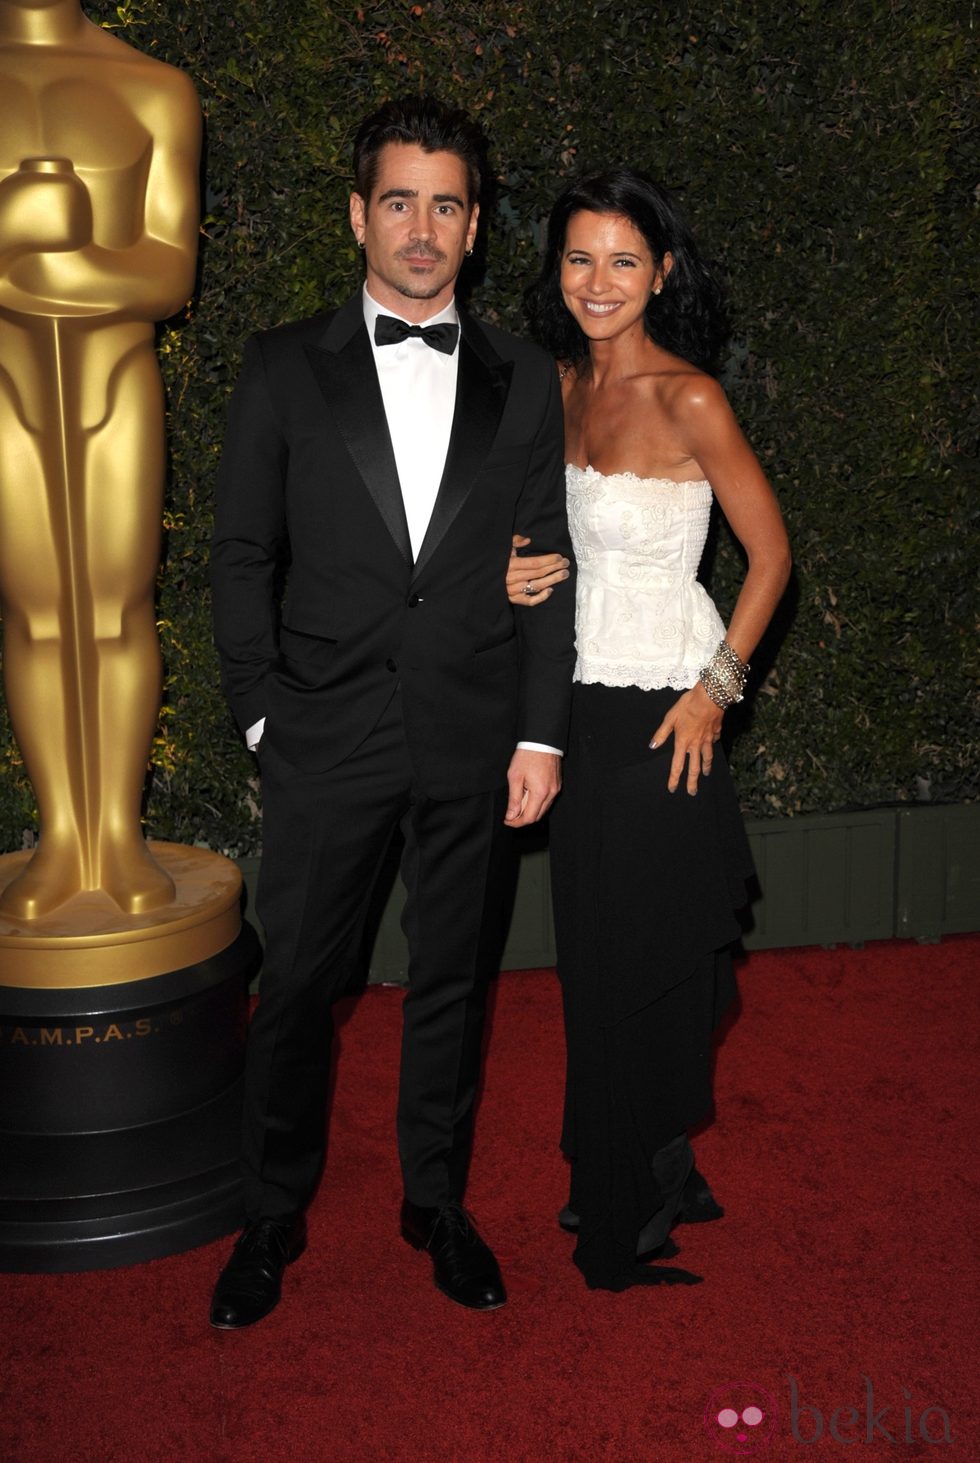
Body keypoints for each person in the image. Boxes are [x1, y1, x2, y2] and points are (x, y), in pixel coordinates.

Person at [208, 96, 576, 1327]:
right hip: (322, 733)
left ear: (474, 230)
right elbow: (239, 553)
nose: (422, 228)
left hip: (473, 733)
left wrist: (537, 730)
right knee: (300, 983)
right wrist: (262, 714)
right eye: (400, 201)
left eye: (448, 205)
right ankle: (269, 1208)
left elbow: (546, 557)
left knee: (453, 984)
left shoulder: (528, 380)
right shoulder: (280, 367)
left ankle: (436, 1200)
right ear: (358, 213)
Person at [509, 169, 791, 1291]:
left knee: (668, 960)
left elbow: (769, 556)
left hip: (666, 710)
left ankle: (636, 1189)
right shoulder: (557, 386)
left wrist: (717, 687)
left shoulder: (691, 399)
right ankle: (641, 1171)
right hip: (575, 707)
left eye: (623, 260)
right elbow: (555, 539)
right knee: (597, 963)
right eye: (579, 258)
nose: (598, 281)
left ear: (659, 273)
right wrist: (519, 572)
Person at [0, 0, 200, 919]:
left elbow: (167, 272)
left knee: (119, 605)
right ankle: (61, 838)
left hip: (115, 377)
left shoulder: (154, 89)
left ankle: (114, 833)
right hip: (8, 382)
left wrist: (65, 267)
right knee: (37, 610)